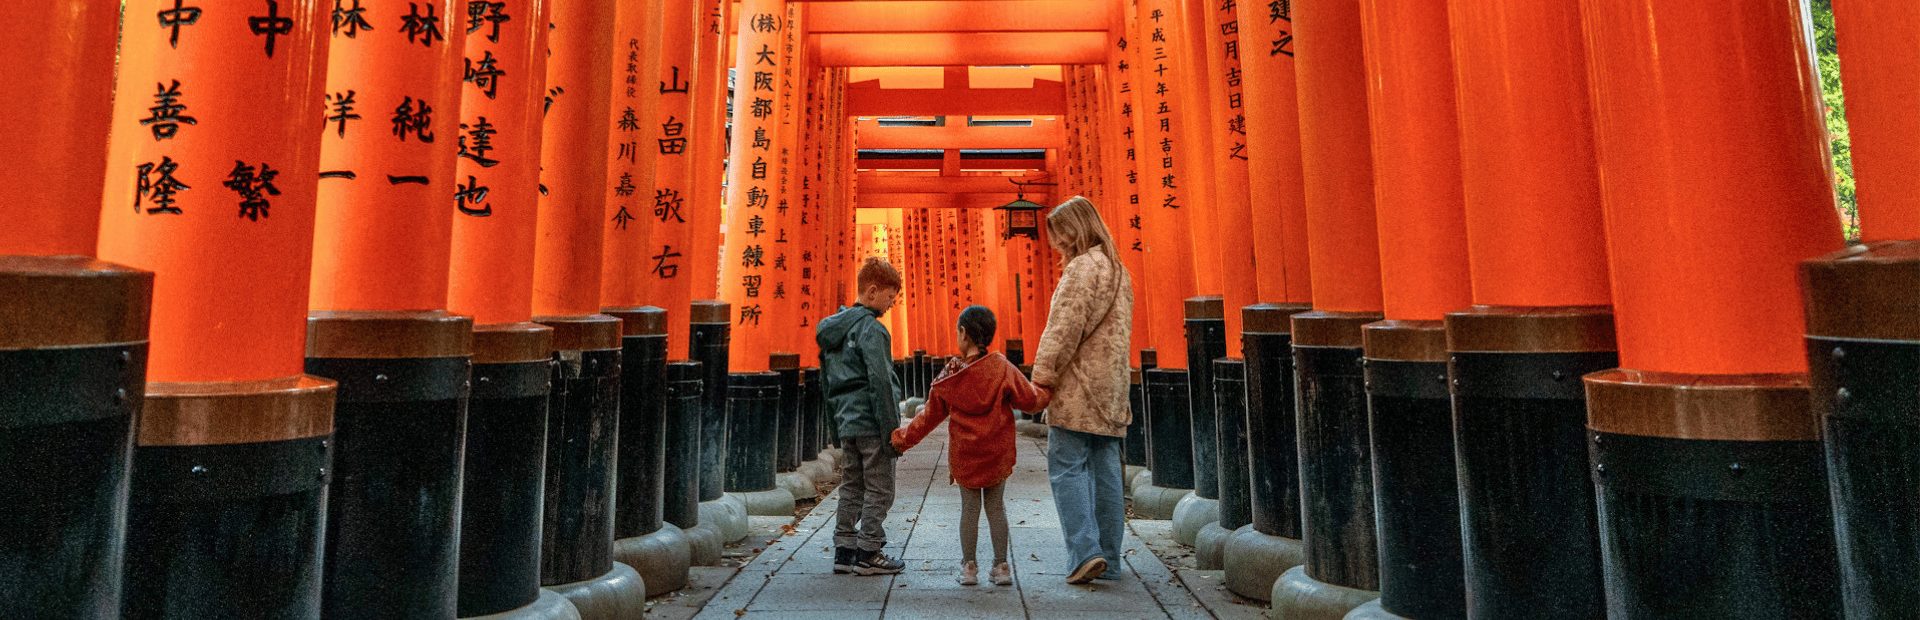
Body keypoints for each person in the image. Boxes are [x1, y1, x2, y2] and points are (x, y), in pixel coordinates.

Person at [891, 306, 1051, 586]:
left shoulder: (951, 375)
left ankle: (969, 567)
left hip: (965, 454)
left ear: (963, 333)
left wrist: (902, 439)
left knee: (969, 509)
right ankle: (1001, 567)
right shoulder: (1001, 367)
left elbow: (928, 417)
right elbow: (1029, 399)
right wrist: (1049, 390)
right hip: (996, 452)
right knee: (996, 507)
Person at [1030, 196, 1134, 585]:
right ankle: (1110, 557)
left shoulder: (1080, 269)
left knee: (1067, 466)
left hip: (1078, 386)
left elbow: (1063, 328)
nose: (1056, 244)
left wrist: (1042, 377)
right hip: (1112, 388)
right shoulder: (1120, 271)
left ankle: (1085, 552)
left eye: (1058, 235)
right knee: (1106, 470)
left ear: (1074, 229)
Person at [816, 257, 908, 576]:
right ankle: (869, 550)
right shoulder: (872, 330)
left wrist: (833, 425)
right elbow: (881, 381)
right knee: (880, 487)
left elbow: (825, 381)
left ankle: (844, 550)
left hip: (846, 421)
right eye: (889, 297)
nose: (890, 304)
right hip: (871, 420)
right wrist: (892, 431)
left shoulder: (834, 331)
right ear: (871, 291)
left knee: (851, 484)